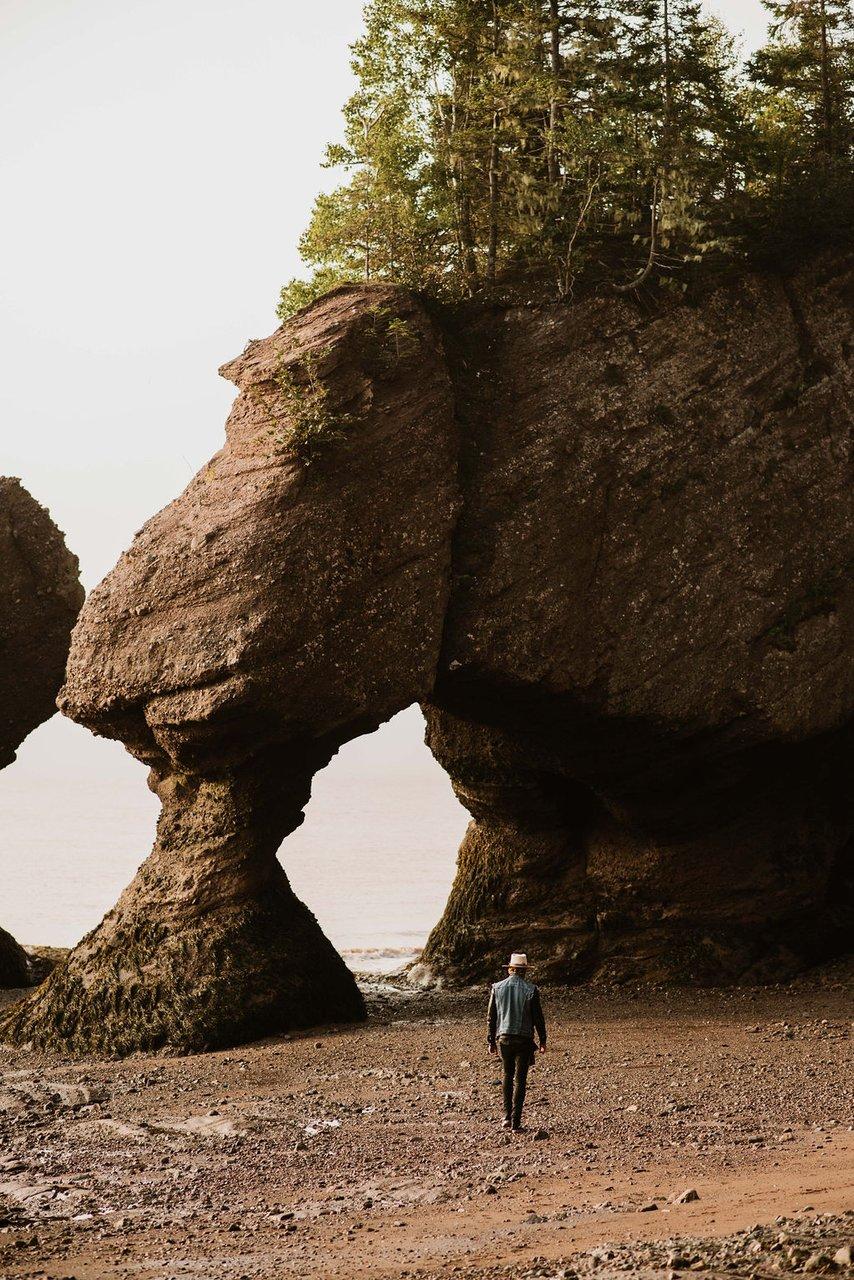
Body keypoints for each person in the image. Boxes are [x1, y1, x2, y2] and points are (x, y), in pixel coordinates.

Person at [487, 952, 547, 1131]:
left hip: (504, 1038)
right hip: (524, 1039)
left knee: (507, 1076)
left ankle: (506, 1117)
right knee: (520, 1080)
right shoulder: (531, 989)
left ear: (510, 970)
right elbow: (538, 1018)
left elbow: (491, 1017)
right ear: (524, 971)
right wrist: (543, 1040)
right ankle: (516, 1122)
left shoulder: (497, 988)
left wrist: (491, 1041)